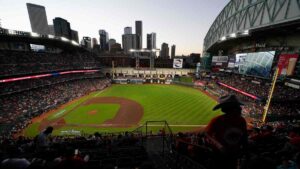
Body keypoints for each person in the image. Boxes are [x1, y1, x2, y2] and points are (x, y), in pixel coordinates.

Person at [205, 95, 248, 169]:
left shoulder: (242, 121)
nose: (241, 109)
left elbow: (244, 137)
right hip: (218, 155)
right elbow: (207, 134)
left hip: (233, 155)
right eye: (237, 107)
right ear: (230, 109)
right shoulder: (217, 120)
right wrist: (219, 146)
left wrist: (243, 150)